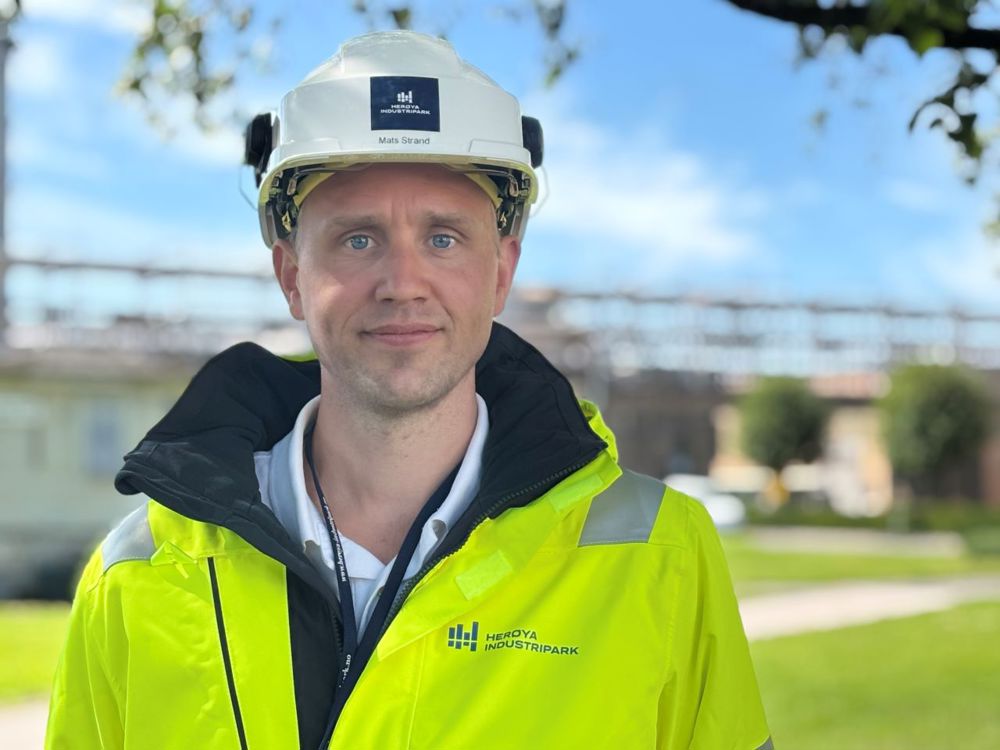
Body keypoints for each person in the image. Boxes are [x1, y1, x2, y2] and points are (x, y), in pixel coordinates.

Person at [46, 30, 772, 750]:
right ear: (292, 275)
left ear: (501, 270)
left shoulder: (661, 555)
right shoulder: (136, 577)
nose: (402, 285)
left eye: (443, 238)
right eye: (358, 238)